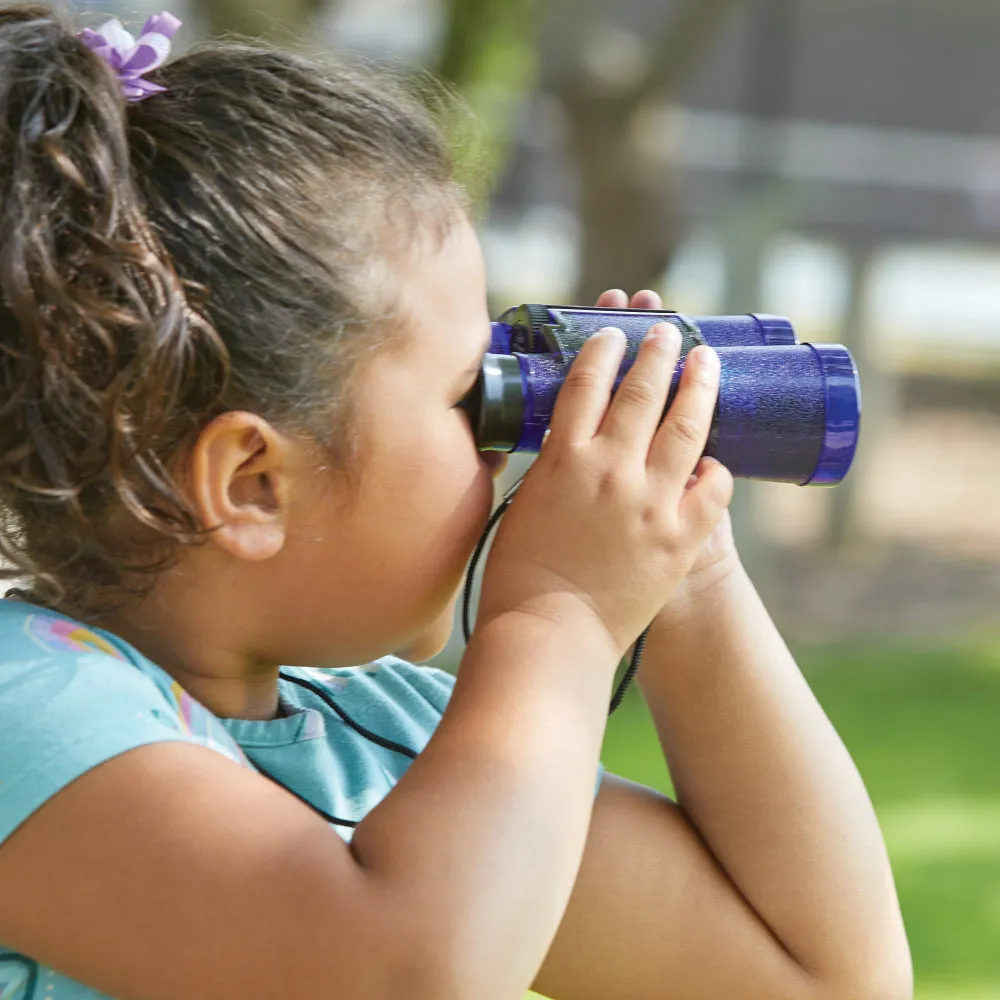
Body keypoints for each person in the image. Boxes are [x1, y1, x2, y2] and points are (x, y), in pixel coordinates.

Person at [0, 5, 911, 999]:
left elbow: (822, 980)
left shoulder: (393, 741)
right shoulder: (28, 709)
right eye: (473, 396)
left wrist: (684, 561)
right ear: (253, 485)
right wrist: (560, 611)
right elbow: (403, 974)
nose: (514, 444)